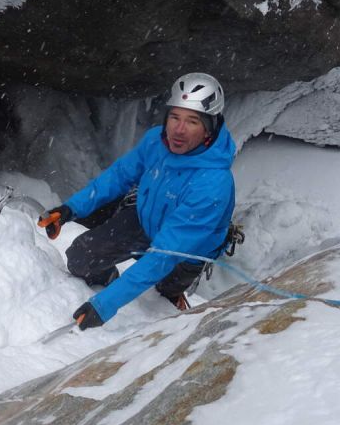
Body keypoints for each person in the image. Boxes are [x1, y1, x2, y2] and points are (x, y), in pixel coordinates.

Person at [38, 72, 236, 330]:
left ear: (209, 128)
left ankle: (172, 293)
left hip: (185, 249)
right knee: (80, 259)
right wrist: (70, 209)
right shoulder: (156, 141)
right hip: (145, 218)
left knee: (163, 292)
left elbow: (164, 255)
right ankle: (111, 279)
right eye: (175, 117)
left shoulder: (213, 184)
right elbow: (119, 176)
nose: (178, 129)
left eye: (192, 121)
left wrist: (104, 305)